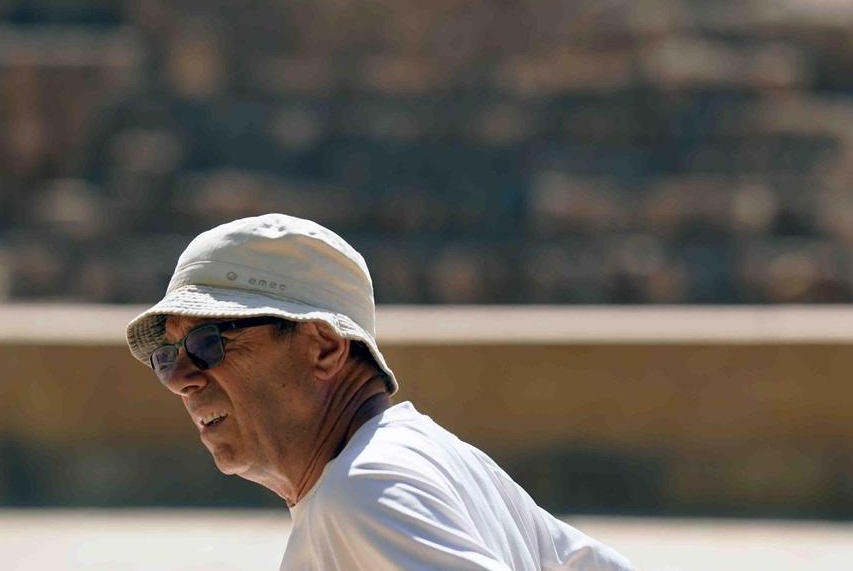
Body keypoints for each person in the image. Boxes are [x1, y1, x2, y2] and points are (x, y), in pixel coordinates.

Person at [125, 213, 634, 570]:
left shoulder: (365, 489)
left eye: (208, 343)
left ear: (323, 347)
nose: (180, 380)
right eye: (167, 357)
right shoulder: (430, 456)